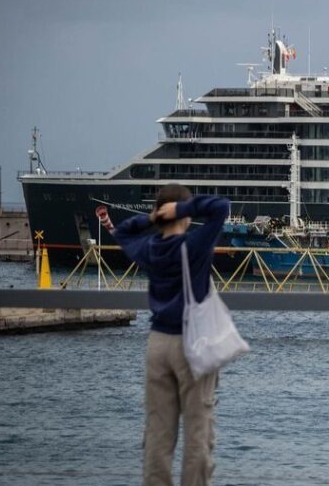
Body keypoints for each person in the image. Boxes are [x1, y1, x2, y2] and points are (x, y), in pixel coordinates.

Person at [112, 183, 231, 486]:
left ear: (159, 213)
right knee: (197, 431)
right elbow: (220, 207)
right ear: (184, 215)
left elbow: (122, 232)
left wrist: (150, 219)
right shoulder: (195, 246)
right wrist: (182, 208)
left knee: (158, 432)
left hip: (157, 344)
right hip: (193, 344)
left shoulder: (149, 248)